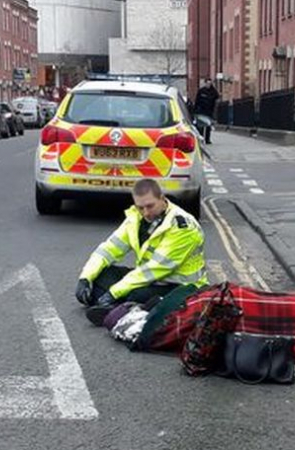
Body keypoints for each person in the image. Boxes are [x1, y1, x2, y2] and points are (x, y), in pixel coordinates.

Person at [75, 179, 209, 326]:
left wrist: (113, 293)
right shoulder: (136, 219)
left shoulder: (182, 227)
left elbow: (154, 269)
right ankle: (123, 308)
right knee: (101, 277)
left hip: (181, 286)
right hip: (148, 280)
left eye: (150, 206)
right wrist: (85, 278)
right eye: (140, 207)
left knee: (135, 293)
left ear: (162, 198)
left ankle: (122, 307)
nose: (146, 213)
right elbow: (108, 249)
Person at [194, 78, 219, 144]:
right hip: (201, 111)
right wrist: (195, 110)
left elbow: (217, 98)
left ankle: (207, 139)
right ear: (205, 83)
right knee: (201, 126)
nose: (208, 85)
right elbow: (197, 101)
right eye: (207, 83)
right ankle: (201, 138)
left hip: (209, 111)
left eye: (210, 84)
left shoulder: (213, 91)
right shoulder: (201, 91)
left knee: (208, 126)